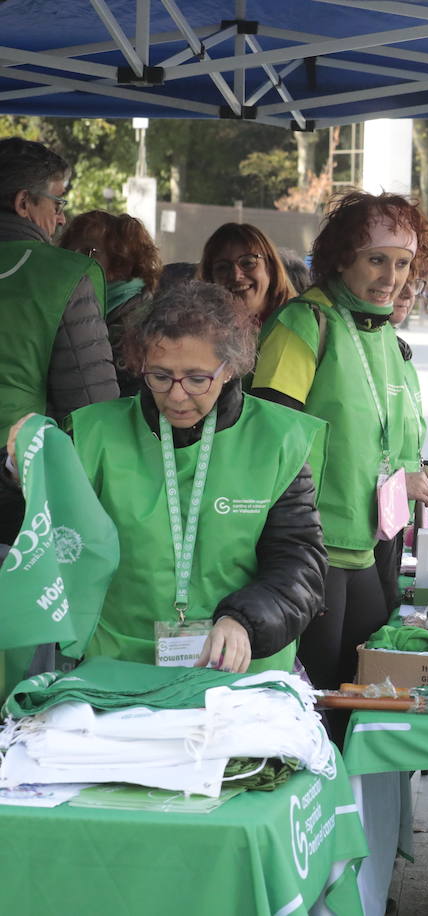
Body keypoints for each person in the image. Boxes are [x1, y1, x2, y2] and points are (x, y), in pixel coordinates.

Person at [1, 282, 327, 674]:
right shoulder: (93, 433)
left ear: (230, 369)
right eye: (160, 376)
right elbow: (32, 533)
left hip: (237, 668)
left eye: (196, 379)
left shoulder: (279, 439)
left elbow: (299, 564)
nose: (175, 395)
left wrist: (245, 620)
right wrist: (18, 475)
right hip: (118, 663)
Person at [253, 191, 428, 693]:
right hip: (313, 543)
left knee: (366, 690)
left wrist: (416, 466)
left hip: (372, 540)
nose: (391, 277)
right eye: (376, 259)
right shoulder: (304, 322)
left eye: (403, 263)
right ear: (341, 258)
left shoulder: (383, 333)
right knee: (319, 695)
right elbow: (268, 433)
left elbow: (384, 431)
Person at [0, 138, 117, 445]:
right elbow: (91, 405)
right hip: (19, 466)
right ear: (24, 202)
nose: (62, 217)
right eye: (56, 203)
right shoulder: (68, 274)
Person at [374, 274, 428, 609]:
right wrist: (401, 482)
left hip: (387, 520)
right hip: (351, 534)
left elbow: (393, 437)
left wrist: (421, 467)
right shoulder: (355, 350)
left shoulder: (397, 351)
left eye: (413, 280)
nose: (405, 291)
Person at [59, 210, 161, 396]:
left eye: (88, 252)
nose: (72, 259)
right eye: (67, 251)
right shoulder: (70, 307)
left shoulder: (147, 324)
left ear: (122, 264)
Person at [198, 223, 297, 328]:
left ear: (271, 267)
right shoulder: (199, 329)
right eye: (223, 268)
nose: (236, 276)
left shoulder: (297, 323)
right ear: (210, 278)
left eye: (248, 263)